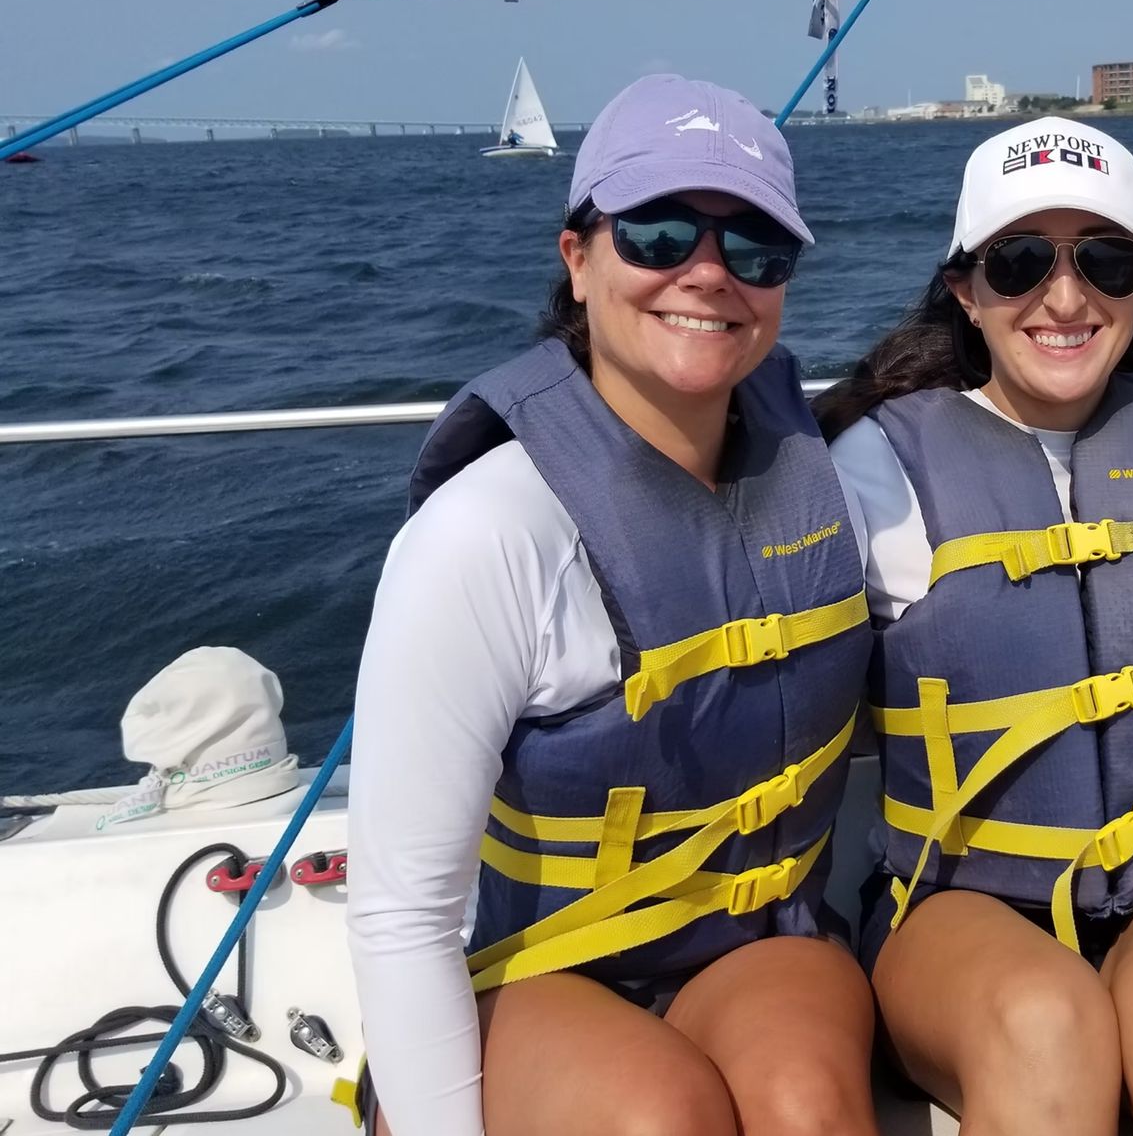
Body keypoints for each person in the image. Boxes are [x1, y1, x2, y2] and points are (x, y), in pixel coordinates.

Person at [347, 75, 879, 1136]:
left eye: (756, 248)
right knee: (657, 1115)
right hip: (541, 968)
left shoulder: (835, 480)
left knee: (809, 1107)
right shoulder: (486, 534)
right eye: (660, 232)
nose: (710, 273)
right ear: (578, 256)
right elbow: (402, 915)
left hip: (753, 941)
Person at [817, 117, 1133, 1136]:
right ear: (965, 286)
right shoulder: (869, 468)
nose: (1068, 295)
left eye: (1106, 259)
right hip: (959, 900)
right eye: (1021, 260)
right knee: (1045, 1023)